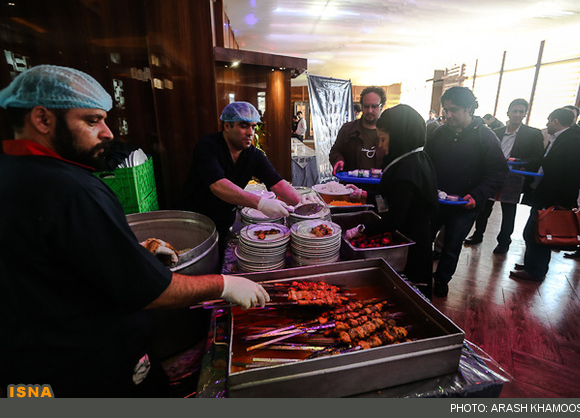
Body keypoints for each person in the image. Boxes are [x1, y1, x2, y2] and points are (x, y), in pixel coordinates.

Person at [0, 65, 270, 397]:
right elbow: (149, 289)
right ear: (42, 120)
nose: (108, 133)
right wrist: (224, 283)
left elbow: (55, 262)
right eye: (92, 120)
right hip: (90, 370)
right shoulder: (74, 190)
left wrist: (134, 249)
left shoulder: (13, 171)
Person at [180, 101, 304, 255]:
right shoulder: (208, 146)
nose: (250, 132)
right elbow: (218, 185)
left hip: (224, 220)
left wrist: (302, 202)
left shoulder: (253, 154)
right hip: (196, 220)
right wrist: (261, 203)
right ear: (227, 126)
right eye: (244, 126)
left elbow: (277, 183)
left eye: (253, 126)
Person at [344, 105, 438, 300]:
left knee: (410, 294)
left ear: (401, 138)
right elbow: (389, 198)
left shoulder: (408, 170)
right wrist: (362, 194)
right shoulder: (413, 158)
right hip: (411, 235)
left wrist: (361, 229)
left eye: (383, 139)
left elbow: (394, 218)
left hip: (412, 243)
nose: (381, 146)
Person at [424, 87, 508, 298]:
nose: (448, 115)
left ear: (469, 108)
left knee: (452, 245)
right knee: (423, 239)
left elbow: (498, 172)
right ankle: (421, 277)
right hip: (436, 201)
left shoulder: (485, 137)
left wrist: (478, 195)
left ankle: (442, 281)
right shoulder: (438, 133)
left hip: (465, 205)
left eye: (454, 110)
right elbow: (426, 163)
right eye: (446, 110)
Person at [510, 108, 580, 282]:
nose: (547, 124)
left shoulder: (575, 142)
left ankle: (535, 271)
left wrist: (563, 202)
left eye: (549, 120)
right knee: (531, 233)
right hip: (544, 195)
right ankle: (531, 265)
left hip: (554, 198)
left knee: (540, 234)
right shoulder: (561, 139)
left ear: (555, 121)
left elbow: (574, 176)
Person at [464, 98, 544, 254]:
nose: (517, 115)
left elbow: (537, 157)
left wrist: (519, 162)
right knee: (484, 207)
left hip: (513, 176)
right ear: (508, 112)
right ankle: (477, 234)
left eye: (521, 112)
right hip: (492, 174)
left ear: (525, 114)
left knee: (508, 211)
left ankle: (504, 242)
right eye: (515, 111)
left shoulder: (533, 134)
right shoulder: (496, 131)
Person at [329, 86, 386, 174]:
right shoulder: (348, 129)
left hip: (379, 186)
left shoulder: (389, 132)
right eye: (366, 106)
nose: (370, 110)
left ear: (382, 106)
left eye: (374, 106)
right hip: (351, 185)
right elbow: (335, 152)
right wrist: (338, 161)